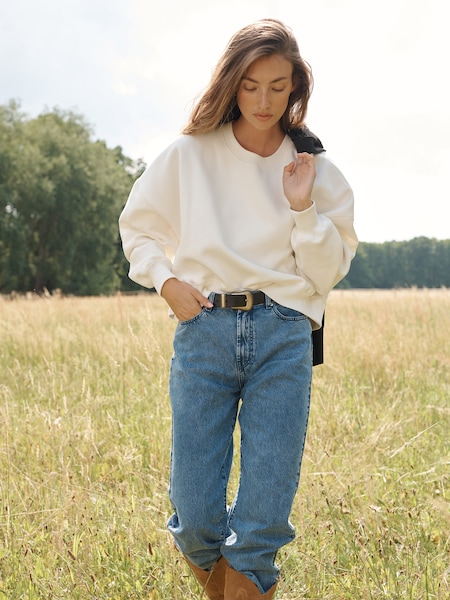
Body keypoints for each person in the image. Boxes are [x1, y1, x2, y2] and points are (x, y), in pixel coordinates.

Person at [119, 18, 358, 599]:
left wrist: (302, 209)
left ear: (296, 87)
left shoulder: (316, 169)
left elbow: (330, 269)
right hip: (204, 329)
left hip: (283, 333)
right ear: (232, 83)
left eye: (278, 86)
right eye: (251, 85)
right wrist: (165, 281)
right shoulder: (189, 154)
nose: (263, 100)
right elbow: (139, 230)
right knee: (197, 518)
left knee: (260, 523)